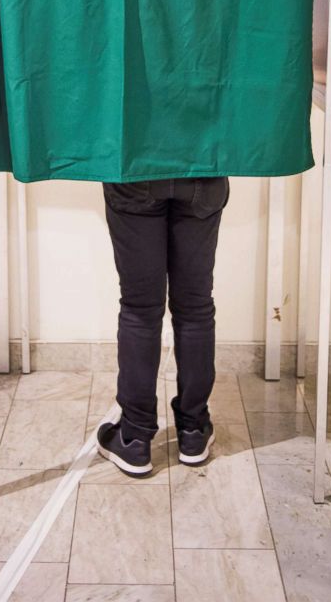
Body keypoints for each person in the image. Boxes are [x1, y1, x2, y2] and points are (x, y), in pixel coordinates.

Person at [96, 176, 230, 477]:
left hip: (134, 170)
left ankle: (134, 438)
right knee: (195, 306)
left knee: (139, 308)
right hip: (202, 170)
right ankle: (194, 431)